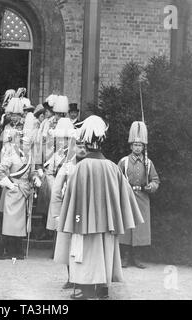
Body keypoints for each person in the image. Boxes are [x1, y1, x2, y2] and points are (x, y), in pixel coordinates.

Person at [57, 115, 144, 300]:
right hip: (108, 223)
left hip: (85, 222)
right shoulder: (113, 167)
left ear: (86, 141)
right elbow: (126, 196)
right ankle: (103, 289)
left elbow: (73, 199)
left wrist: (76, 221)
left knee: (86, 254)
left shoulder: (81, 167)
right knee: (106, 252)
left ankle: (87, 290)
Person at [0, 112, 41, 259]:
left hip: (25, 191)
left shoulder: (31, 157)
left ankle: (18, 250)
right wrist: (10, 185)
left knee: (21, 224)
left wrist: (35, 178)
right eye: (25, 142)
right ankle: (8, 250)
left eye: (29, 143)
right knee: (10, 223)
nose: (27, 145)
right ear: (20, 142)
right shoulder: (11, 155)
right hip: (13, 192)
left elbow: (32, 172)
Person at [49, 124, 87, 290]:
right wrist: (57, 213)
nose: (82, 149)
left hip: (86, 211)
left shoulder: (92, 165)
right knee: (69, 244)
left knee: (85, 244)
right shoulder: (67, 165)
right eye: (79, 145)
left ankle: (85, 278)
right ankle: (71, 277)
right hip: (69, 211)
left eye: (85, 145)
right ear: (74, 146)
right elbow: (57, 190)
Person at [118, 121, 160, 269]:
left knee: (140, 227)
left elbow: (155, 180)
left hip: (142, 197)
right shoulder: (124, 162)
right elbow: (117, 179)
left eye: (140, 145)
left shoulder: (148, 163)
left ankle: (137, 257)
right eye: (135, 145)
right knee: (126, 227)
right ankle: (125, 257)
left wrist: (151, 186)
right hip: (127, 197)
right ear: (131, 146)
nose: (137, 148)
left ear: (144, 147)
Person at [35, 95, 69, 239]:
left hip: (62, 164)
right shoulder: (47, 124)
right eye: (56, 113)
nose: (57, 117)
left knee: (59, 199)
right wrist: (40, 162)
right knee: (46, 197)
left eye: (61, 114)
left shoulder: (67, 124)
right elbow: (40, 143)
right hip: (48, 164)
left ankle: (57, 234)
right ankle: (45, 228)